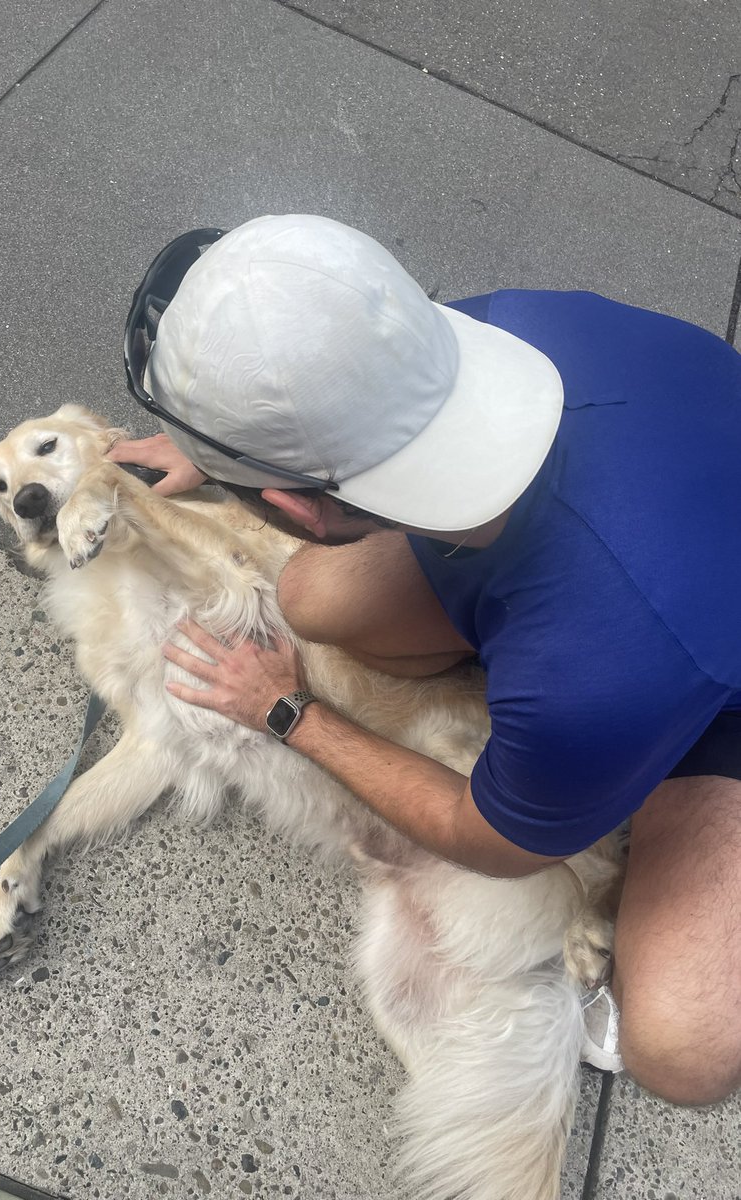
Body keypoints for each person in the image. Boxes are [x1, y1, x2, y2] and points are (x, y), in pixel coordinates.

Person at [111, 214, 741, 1105]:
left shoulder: (589, 676)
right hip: (667, 523)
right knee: (315, 600)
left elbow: (493, 843)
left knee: (680, 1050)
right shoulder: (497, 328)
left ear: (299, 509)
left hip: (698, 667)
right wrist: (216, 450)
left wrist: (288, 712)